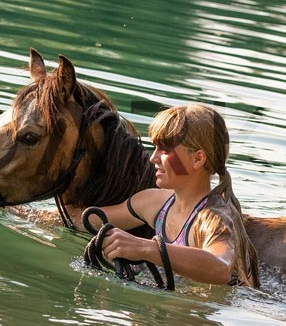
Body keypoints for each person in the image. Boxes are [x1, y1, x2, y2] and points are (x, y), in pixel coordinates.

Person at [83, 104, 260, 288]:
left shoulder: (215, 219)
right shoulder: (154, 202)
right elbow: (91, 219)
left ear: (198, 159)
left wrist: (145, 248)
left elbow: (221, 269)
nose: (153, 158)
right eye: (155, 147)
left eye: (165, 150)